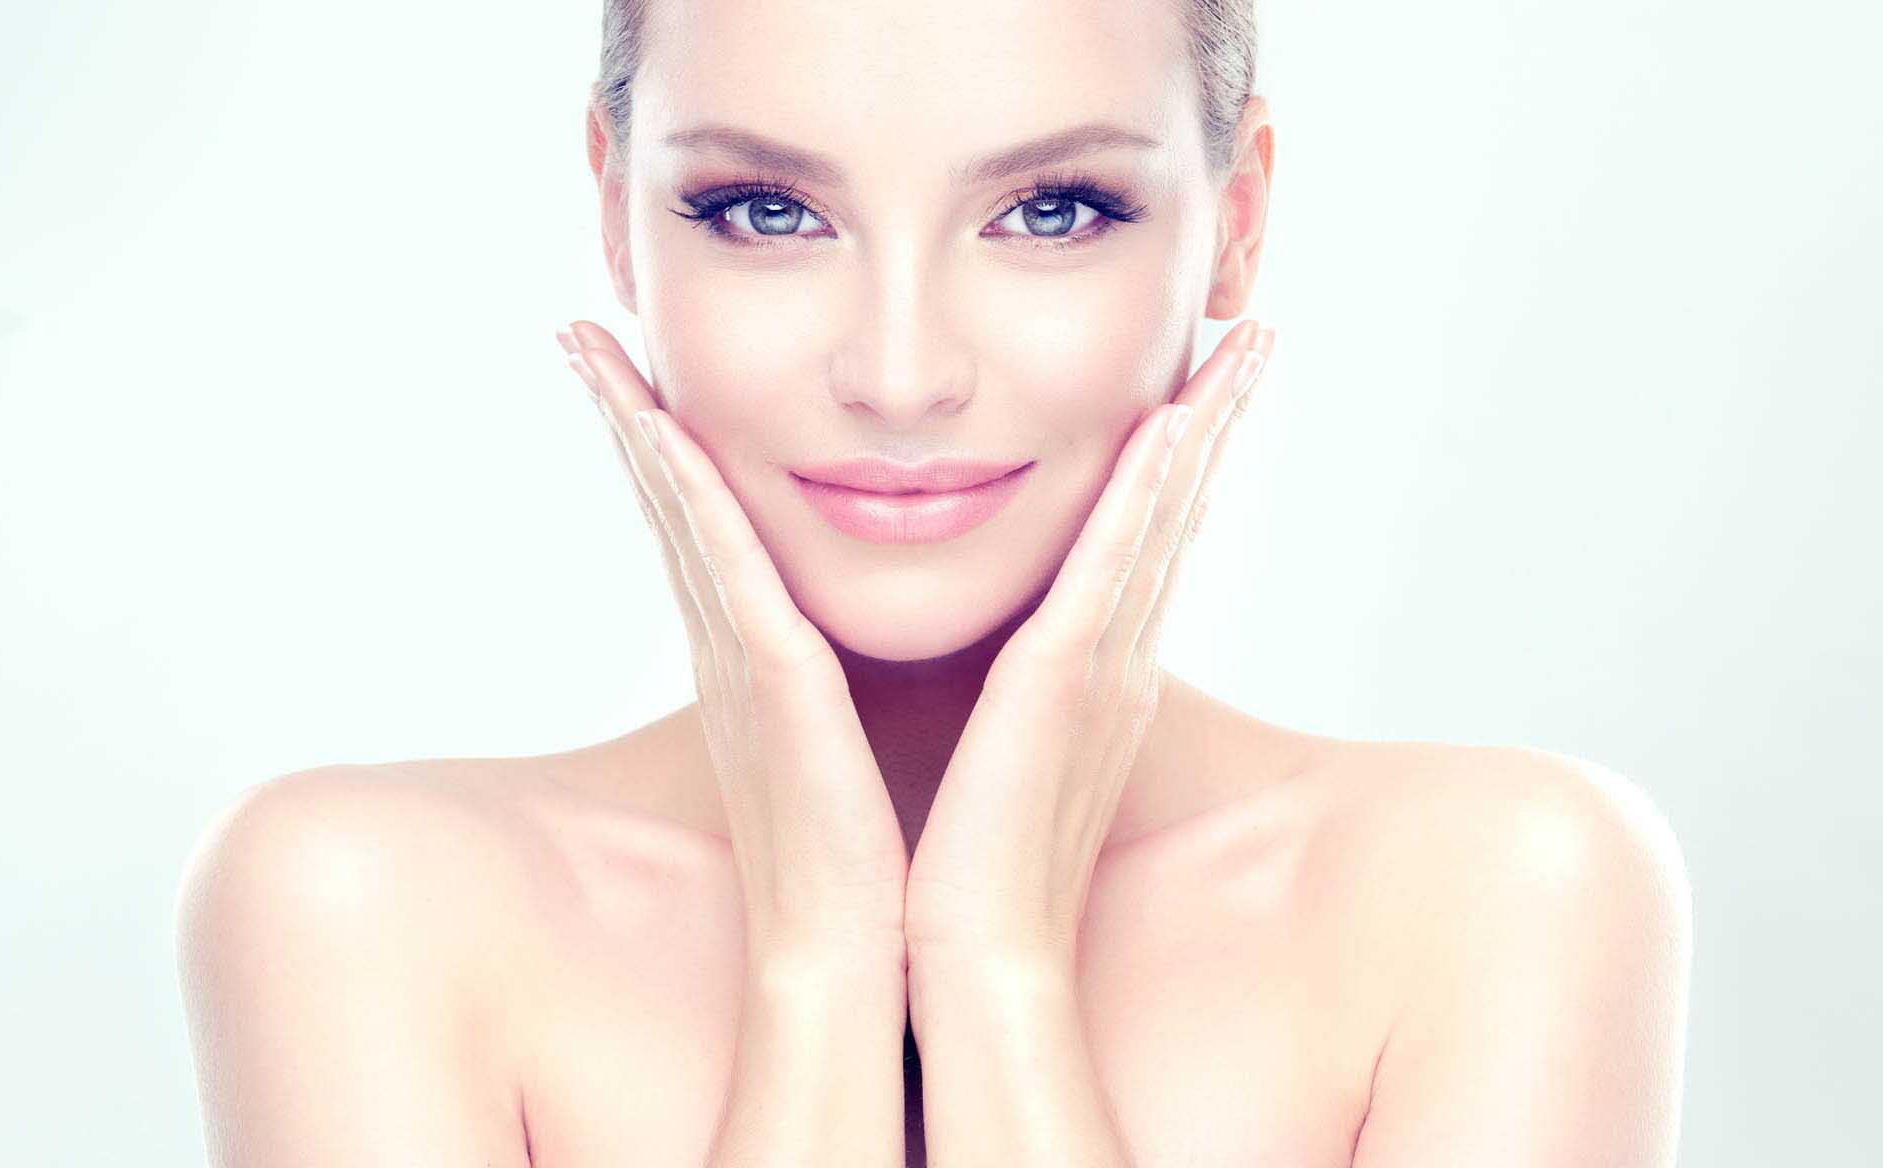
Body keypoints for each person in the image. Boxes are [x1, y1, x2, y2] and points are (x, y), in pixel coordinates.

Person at [174, 1, 1693, 1164]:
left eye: (1052, 210)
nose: (900, 375)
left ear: (1235, 224)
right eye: (767, 211)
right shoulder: (364, 905)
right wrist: (822, 961)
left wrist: (998, 968)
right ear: (615, 212)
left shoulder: (1499, 891)